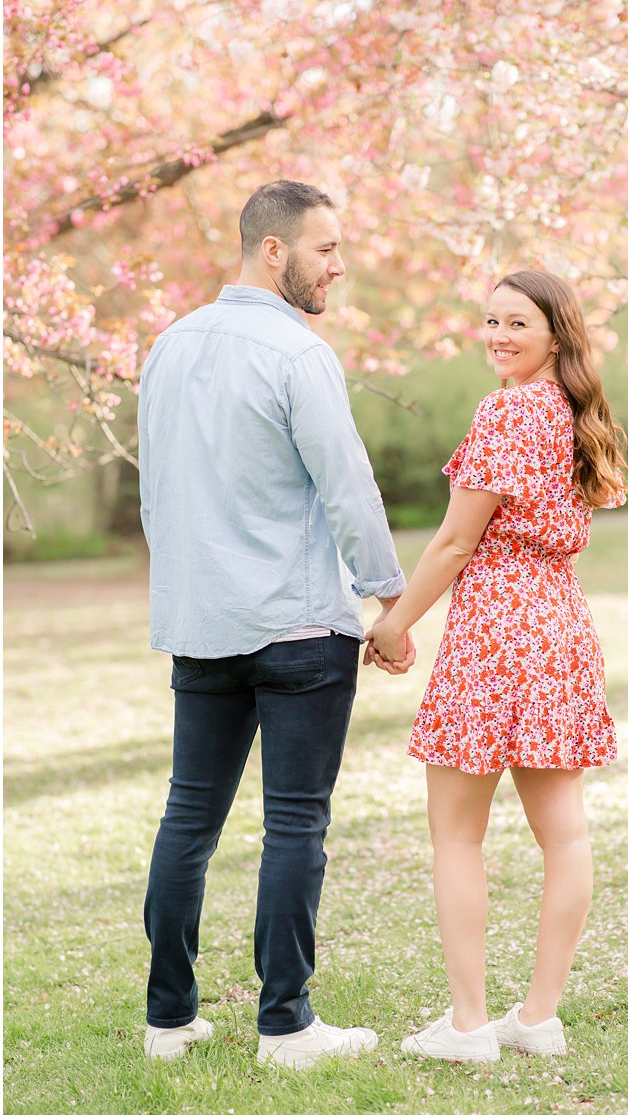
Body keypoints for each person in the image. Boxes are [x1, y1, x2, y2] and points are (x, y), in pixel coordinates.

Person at [138, 179, 417, 1069]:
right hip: (299, 626)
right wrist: (388, 600)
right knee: (296, 823)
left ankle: (169, 1020)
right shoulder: (299, 355)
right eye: (326, 248)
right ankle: (287, 1025)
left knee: (190, 816)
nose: (340, 264)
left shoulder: (169, 345)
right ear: (272, 250)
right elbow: (348, 484)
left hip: (202, 622)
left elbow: (157, 494)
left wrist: (182, 590)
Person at [366, 269, 628, 1064]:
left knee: (456, 835)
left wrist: (394, 621)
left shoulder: (506, 411)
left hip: (493, 632)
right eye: (490, 321)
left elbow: (454, 541)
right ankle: (538, 1016)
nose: (499, 336)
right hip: (558, 631)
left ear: (557, 333)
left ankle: (471, 1024)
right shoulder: (574, 413)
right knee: (566, 834)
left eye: (518, 323)